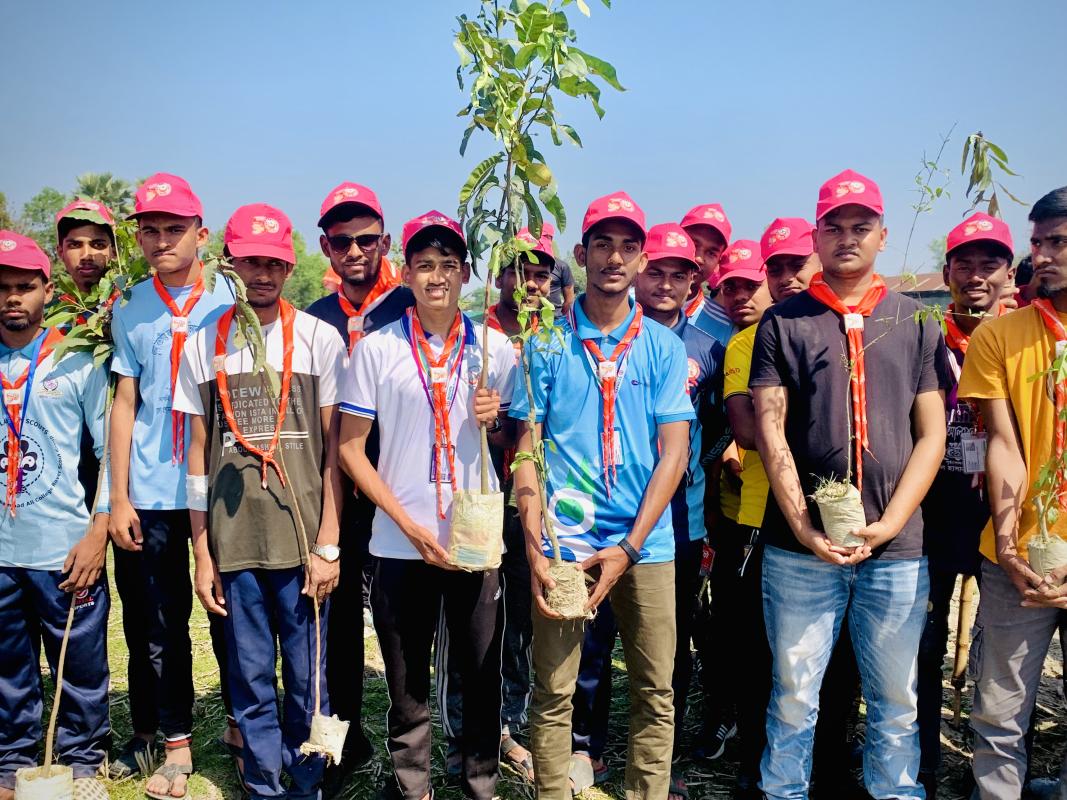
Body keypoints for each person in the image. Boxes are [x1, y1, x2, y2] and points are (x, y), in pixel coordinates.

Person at [751, 169, 948, 800]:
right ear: (816, 237)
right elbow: (773, 432)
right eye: (833, 227)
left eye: (861, 227)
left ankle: (894, 791)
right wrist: (804, 527)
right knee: (793, 694)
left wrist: (891, 523)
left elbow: (932, 435)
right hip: (799, 552)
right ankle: (784, 791)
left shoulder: (915, 321)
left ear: (883, 236)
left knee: (896, 697)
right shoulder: (784, 322)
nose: (847, 238)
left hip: (897, 552)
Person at [511, 191, 695, 800]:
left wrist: (632, 546)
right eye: (602, 244)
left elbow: (675, 453)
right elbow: (527, 450)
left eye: (627, 246)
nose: (615, 258)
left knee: (655, 689)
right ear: (581, 252)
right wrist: (535, 544)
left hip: (647, 544)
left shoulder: (664, 347)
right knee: (554, 690)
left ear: (642, 258)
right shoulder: (546, 342)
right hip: (565, 540)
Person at [338, 211, 515, 800]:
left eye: (448, 265)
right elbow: (351, 451)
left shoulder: (494, 349)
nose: (436, 277)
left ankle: (480, 782)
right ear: (406, 272)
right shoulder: (377, 350)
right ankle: (411, 786)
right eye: (424, 265)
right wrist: (404, 523)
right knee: (407, 678)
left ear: (465, 273)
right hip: (398, 541)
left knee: (479, 672)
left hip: (475, 538)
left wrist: (496, 422)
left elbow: (518, 441)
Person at [175, 203, 346, 800]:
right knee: (248, 676)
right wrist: (202, 553)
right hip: (235, 545)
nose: (264, 274)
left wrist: (328, 545)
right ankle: (263, 784)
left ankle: (306, 782)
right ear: (231, 263)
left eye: (274, 263)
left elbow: (335, 455)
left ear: (290, 265)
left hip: (302, 548)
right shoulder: (204, 344)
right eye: (251, 262)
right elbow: (197, 458)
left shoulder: (320, 339)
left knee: (306, 677)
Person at [107, 173, 237, 797]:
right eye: (150, 230)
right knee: (158, 620)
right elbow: (125, 402)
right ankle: (176, 740)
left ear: (201, 233)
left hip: (221, 486)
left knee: (229, 614)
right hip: (153, 491)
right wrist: (119, 495)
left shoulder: (233, 298)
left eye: (174, 229)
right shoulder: (130, 306)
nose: (162, 240)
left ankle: (241, 725)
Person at [959, 186, 1067, 799]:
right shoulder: (999, 337)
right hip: (1017, 559)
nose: (1041, 256)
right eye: (1037, 242)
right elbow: (1004, 442)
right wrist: (1005, 542)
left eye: (1058, 242)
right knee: (1000, 707)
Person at [439, 223, 555, 785]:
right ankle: (459, 729)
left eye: (541, 273)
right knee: (466, 620)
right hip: (479, 500)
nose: (530, 283)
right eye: (519, 271)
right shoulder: (475, 338)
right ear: (500, 275)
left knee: (520, 622)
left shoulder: (558, 337)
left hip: (532, 502)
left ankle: (508, 724)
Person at [305, 181, 413, 780]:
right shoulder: (313, 319)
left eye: (366, 239)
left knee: (398, 619)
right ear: (325, 246)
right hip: (336, 490)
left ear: (385, 242)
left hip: (396, 485)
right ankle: (344, 738)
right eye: (341, 240)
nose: (354, 250)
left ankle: (410, 747)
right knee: (339, 617)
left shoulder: (411, 309)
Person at [0, 233, 111, 800]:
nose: (12, 297)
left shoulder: (77, 358)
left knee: (80, 668)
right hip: (3, 552)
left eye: (24, 286)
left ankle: (84, 759)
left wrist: (99, 531)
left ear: (48, 289)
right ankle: (12, 760)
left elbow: (111, 452)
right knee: (8, 668)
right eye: (2, 288)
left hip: (66, 548)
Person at [915, 212, 1013, 796]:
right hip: (933, 514)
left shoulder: (1023, 337)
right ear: (948, 270)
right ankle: (923, 767)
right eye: (964, 263)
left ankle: (993, 774)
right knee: (923, 645)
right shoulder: (924, 337)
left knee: (1001, 655)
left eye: (989, 264)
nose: (976, 275)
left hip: (1002, 514)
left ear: (1008, 273)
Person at [697, 239, 773, 783]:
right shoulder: (726, 344)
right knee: (731, 626)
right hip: (732, 513)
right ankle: (728, 718)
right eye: (731, 288)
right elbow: (723, 425)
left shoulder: (793, 334)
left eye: (751, 285)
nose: (741, 296)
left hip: (785, 512)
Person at [53, 199, 117, 509]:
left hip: (127, 453)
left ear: (114, 251)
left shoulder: (131, 306)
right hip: (68, 457)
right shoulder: (48, 317)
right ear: (60, 252)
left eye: (98, 243)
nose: (87, 253)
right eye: (75, 244)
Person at [680, 203, 733, 333]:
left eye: (711, 253)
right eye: (694, 245)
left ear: (718, 263)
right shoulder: (632, 305)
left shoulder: (724, 327)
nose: (699, 258)